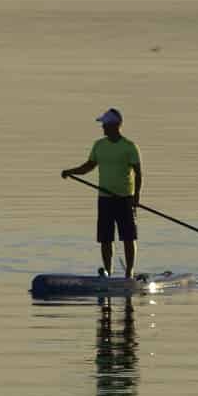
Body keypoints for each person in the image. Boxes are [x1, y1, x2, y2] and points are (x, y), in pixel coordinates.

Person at [61, 108, 143, 279]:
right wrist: (70, 171)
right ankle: (108, 272)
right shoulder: (99, 145)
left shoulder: (129, 147)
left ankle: (129, 272)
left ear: (114, 125)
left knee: (128, 237)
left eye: (105, 125)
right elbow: (88, 167)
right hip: (105, 199)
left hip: (124, 198)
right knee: (105, 238)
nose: (103, 128)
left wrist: (136, 198)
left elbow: (138, 173)